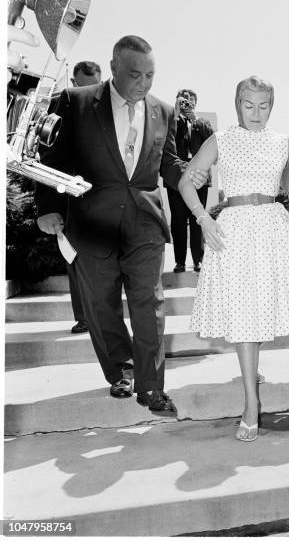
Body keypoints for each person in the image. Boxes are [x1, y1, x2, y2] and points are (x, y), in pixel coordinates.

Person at [36, 35, 188, 416]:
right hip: (91, 220)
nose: (143, 82)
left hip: (145, 223)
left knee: (149, 303)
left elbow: (168, 164)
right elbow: (53, 155)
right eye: (135, 73)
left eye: (150, 74)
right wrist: (49, 207)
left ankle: (152, 388)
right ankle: (121, 370)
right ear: (115, 67)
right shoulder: (76, 101)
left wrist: (197, 175)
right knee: (101, 304)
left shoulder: (164, 111)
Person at [178, 76, 289, 442]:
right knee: (242, 315)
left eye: (264, 106)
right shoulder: (220, 140)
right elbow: (187, 182)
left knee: (259, 311)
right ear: (238, 103)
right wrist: (203, 219)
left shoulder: (282, 142)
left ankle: (251, 373)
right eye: (249, 105)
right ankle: (251, 403)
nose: (256, 113)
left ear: (273, 105)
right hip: (233, 230)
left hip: (272, 227)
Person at [65, 61, 103, 334]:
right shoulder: (65, 105)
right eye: (83, 87)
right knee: (74, 260)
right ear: (74, 83)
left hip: (108, 202)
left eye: (95, 87)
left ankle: (104, 314)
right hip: (73, 201)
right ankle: (83, 316)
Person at [166, 89, 214, 273]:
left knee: (198, 219)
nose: (187, 105)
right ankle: (179, 261)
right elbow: (167, 137)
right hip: (176, 178)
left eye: (190, 102)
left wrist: (194, 119)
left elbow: (212, 140)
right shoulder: (173, 121)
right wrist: (177, 114)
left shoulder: (202, 122)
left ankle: (198, 260)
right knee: (178, 221)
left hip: (199, 178)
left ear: (195, 103)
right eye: (183, 101)